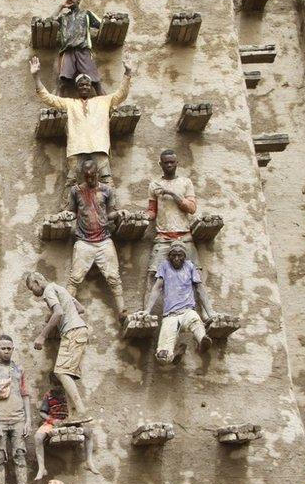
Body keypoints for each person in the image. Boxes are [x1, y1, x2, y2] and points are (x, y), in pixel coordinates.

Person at [29, 56, 133, 190]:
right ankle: (66, 209)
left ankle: (112, 208)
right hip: (76, 147)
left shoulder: (104, 101)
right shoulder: (70, 103)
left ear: (91, 87)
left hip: (99, 145)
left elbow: (121, 95)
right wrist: (36, 77)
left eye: (87, 85)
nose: (84, 87)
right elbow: (48, 98)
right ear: (77, 88)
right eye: (81, 85)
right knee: (71, 181)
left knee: (107, 179)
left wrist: (128, 72)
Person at [62, 158, 128, 320]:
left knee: (114, 277)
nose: (89, 178)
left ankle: (123, 311)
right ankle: (65, 312)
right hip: (84, 241)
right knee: (75, 278)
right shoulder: (76, 191)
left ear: (97, 173)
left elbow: (110, 212)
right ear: (83, 175)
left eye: (92, 175)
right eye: (86, 176)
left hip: (104, 240)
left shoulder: (106, 190)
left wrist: (119, 213)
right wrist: (64, 215)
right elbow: (72, 212)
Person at [25, 272, 90, 425]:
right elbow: (80, 309)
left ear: (37, 281)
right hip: (80, 330)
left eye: (31, 288)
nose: (33, 293)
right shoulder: (60, 289)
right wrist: (54, 315)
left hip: (72, 332)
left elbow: (59, 312)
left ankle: (81, 412)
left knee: (60, 372)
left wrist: (42, 335)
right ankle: (74, 414)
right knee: (67, 375)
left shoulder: (48, 291)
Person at [143, 150, 202, 307]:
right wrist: (143, 216)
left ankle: (204, 312)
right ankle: (145, 314)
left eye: (172, 162)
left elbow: (191, 208)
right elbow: (152, 211)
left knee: (196, 273)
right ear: (160, 164)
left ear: (177, 163)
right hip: (163, 237)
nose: (169, 165)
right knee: (153, 273)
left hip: (184, 236)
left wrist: (171, 193)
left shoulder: (185, 182)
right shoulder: (154, 185)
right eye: (166, 162)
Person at [143, 241, 218, 364]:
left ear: (185, 256)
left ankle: (202, 341)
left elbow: (200, 289)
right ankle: (176, 352)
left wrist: (210, 312)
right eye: (173, 255)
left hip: (187, 311)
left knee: (196, 321)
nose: (176, 258)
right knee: (162, 358)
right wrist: (147, 310)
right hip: (170, 316)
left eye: (180, 255)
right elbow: (157, 288)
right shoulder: (164, 266)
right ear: (169, 256)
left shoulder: (190, 266)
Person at [0, 335, 31, 484]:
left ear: (13, 349)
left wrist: (28, 421)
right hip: (0, 421)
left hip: (18, 420)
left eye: (9, 348)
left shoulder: (19, 370)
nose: (6, 351)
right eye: (3, 348)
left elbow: (25, 395)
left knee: (20, 456)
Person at [33, 379, 99, 481]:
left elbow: (77, 409)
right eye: (55, 385)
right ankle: (41, 468)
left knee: (89, 432)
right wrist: (52, 420)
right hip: (53, 422)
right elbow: (42, 413)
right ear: (51, 384)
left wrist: (76, 419)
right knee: (38, 437)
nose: (58, 387)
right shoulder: (48, 395)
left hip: (69, 421)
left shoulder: (69, 394)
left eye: (60, 385)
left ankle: (89, 462)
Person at [51, 0, 103, 96]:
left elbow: (102, 24)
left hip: (83, 50)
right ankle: (56, 107)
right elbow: (50, 22)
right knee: (62, 82)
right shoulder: (63, 18)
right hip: (68, 52)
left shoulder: (86, 14)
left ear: (78, 0)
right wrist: (61, 6)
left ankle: (109, 106)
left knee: (96, 82)